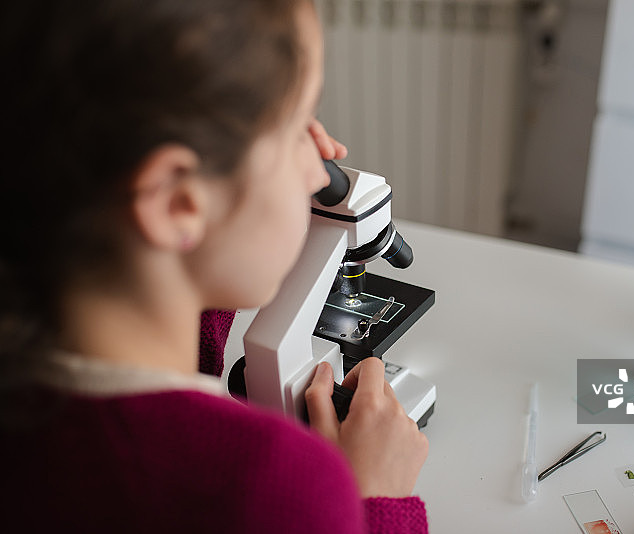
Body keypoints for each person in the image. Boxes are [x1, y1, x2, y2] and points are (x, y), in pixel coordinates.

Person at [0, 0, 429, 532]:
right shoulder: (282, 484)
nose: (322, 172)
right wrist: (376, 501)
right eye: (297, 128)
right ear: (181, 202)